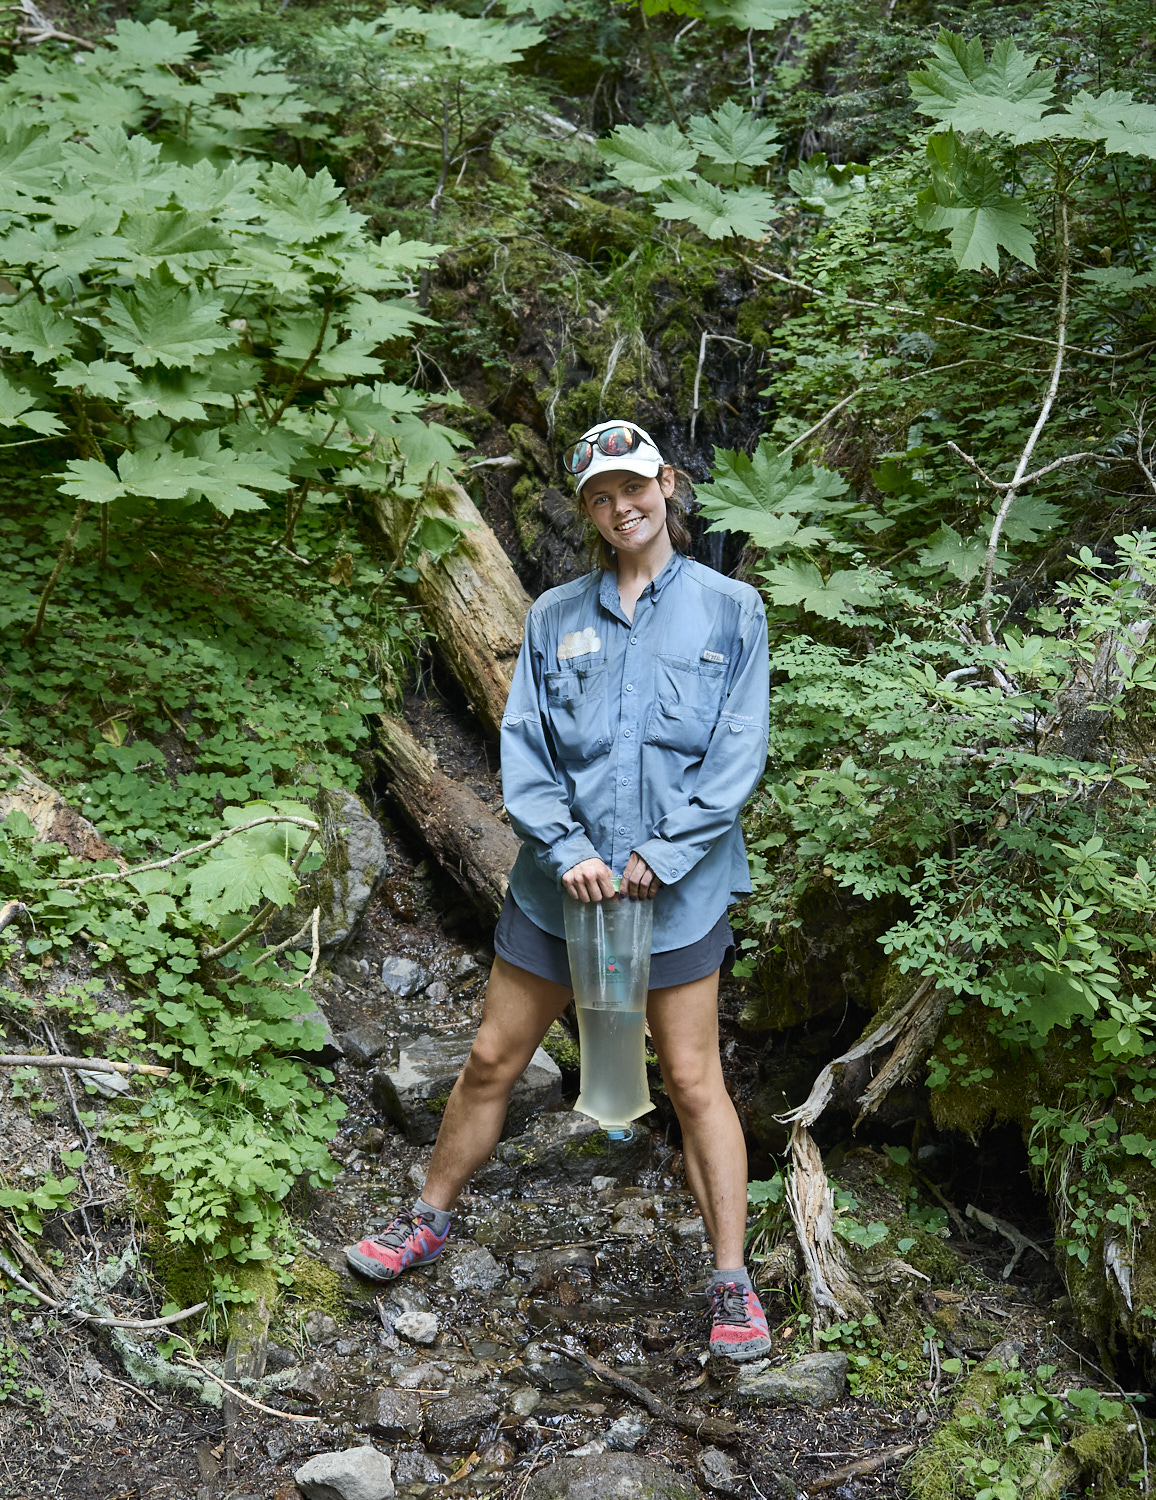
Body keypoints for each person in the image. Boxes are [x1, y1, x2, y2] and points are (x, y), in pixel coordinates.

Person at [347, 418, 771, 1361]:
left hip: (676, 892)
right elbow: (526, 752)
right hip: (558, 890)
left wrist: (663, 853)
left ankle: (732, 1281)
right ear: (586, 509)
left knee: (694, 1082)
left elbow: (738, 755)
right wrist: (567, 843)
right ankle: (427, 1216)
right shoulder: (553, 618)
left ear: (667, 483)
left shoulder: (732, 611)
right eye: (601, 496)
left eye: (635, 486)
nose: (624, 507)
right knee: (495, 1057)